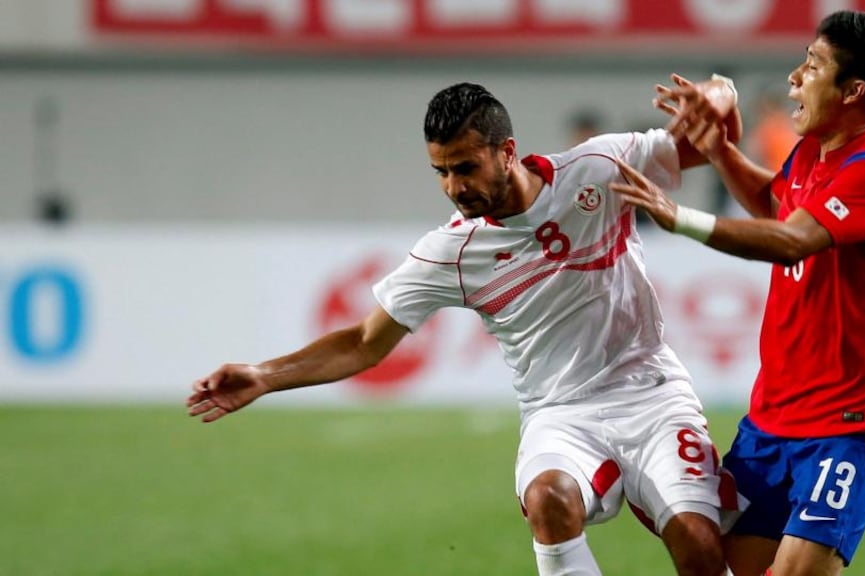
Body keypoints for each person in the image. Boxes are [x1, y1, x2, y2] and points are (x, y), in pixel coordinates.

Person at [187, 79, 742, 575]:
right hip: (560, 415)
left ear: (506, 153)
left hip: (651, 394)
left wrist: (721, 95)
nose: (453, 186)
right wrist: (264, 375)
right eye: (441, 172)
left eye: (465, 167)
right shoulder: (451, 252)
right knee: (549, 499)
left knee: (697, 544)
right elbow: (362, 342)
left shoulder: (596, 168)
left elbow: (714, 143)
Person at [610, 10, 865, 576]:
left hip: (848, 424)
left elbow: (791, 239)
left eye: (813, 66)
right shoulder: (812, 150)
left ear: (854, 91)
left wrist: (681, 218)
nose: (794, 79)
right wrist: (720, 150)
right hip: (773, 419)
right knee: (716, 562)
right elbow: (778, 206)